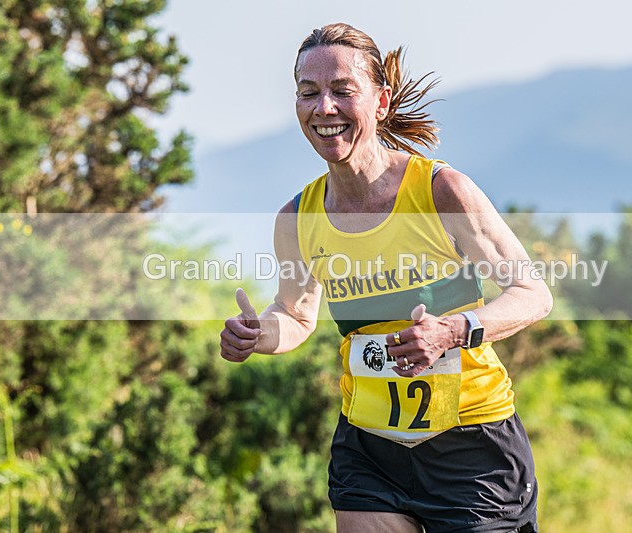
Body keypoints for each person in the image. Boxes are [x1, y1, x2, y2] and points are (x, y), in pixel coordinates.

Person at [220, 22, 553, 533]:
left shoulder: (441, 191)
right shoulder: (297, 218)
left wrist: (452, 331)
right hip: (369, 447)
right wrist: (259, 334)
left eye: (342, 90)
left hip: (472, 444)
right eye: (308, 93)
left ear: (380, 102)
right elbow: (295, 314)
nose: (324, 108)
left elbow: (532, 294)